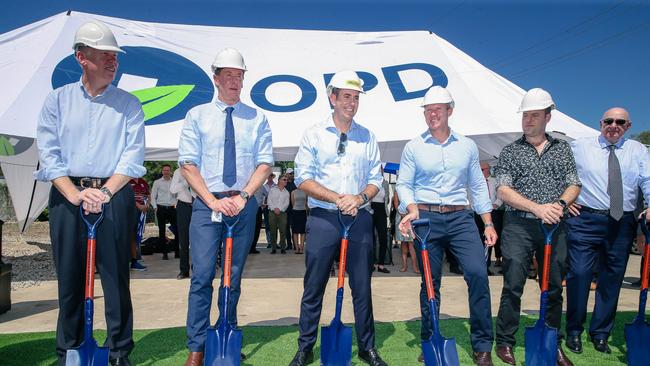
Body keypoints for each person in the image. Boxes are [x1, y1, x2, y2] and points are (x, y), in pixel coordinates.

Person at [35, 21, 145, 366]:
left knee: (115, 278)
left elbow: (132, 157)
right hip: (68, 197)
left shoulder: (129, 104)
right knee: (69, 277)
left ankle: (118, 351)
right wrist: (74, 193)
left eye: (115, 57)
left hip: (115, 195)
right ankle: (69, 349)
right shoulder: (57, 100)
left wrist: (106, 192)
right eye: (106, 55)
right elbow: (49, 154)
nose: (113, 62)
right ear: (82, 57)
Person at [178, 47, 273, 366]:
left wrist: (244, 196)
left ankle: (226, 333)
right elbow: (188, 164)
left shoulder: (257, 117)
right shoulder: (197, 115)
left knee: (233, 275)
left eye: (239, 75)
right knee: (202, 275)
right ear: (216, 78)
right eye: (229, 75)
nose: (234, 80)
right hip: (207, 205)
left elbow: (264, 164)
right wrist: (213, 200)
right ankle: (197, 345)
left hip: (243, 204)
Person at [289, 70, 386, 366]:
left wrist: (358, 198)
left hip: (359, 217)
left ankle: (366, 347)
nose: (351, 103)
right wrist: (337, 198)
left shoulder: (367, 136)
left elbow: (375, 178)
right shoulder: (314, 133)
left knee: (362, 285)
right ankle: (305, 347)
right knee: (314, 284)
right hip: (323, 218)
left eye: (356, 98)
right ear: (332, 98)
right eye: (346, 96)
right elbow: (303, 177)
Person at [397, 86, 497, 366]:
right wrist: (411, 206)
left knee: (478, 274)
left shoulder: (466, 146)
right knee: (430, 282)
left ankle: (482, 346)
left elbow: (477, 186)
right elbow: (404, 183)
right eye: (428, 110)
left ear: (449, 111)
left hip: (461, 218)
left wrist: (487, 222)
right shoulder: (413, 147)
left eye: (438, 109)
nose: (432, 114)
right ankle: (430, 339)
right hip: (425, 219)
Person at [493, 88, 580, 366]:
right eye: (525, 115)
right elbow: (503, 190)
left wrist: (561, 205)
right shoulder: (510, 151)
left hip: (554, 226)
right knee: (513, 284)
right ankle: (505, 341)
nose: (528, 120)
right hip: (518, 225)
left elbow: (574, 183)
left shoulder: (562, 149)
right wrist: (537, 207)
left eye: (534, 115)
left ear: (547, 117)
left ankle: (553, 342)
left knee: (554, 286)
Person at [564, 107, 650, 355]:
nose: (614, 125)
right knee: (579, 274)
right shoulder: (580, 146)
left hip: (622, 223)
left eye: (620, 122)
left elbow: (647, 179)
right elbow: (561, 172)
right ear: (601, 123)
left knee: (611, 280)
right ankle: (574, 331)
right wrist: (564, 199)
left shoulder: (638, 150)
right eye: (608, 121)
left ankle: (600, 333)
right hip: (585, 220)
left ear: (628, 126)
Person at [151, 164, 178, 260]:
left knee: (176, 230)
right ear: (162, 171)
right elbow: (153, 196)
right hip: (161, 208)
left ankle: (177, 252)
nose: (166, 172)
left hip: (172, 208)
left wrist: (177, 205)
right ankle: (164, 253)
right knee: (161, 231)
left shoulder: (174, 182)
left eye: (168, 170)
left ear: (170, 171)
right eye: (164, 170)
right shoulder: (157, 182)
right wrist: (154, 207)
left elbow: (177, 195)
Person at [170, 167, 193, 279]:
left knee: (199, 240)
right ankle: (184, 270)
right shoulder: (178, 172)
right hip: (184, 206)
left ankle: (198, 269)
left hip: (199, 205)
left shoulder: (201, 169)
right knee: (183, 240)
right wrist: (186, 181)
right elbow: (173, 189)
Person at [392, 190, 419, 273]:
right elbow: (396, 205)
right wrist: (405, 216)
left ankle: (415, 266)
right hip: (401, 218)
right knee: (403, 243)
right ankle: (404, 265)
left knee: (411, 243)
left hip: (412, 216)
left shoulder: (413, 189)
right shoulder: (397, 190)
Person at [128, 177, 150, 271]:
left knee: (135, 236)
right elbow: (128, 197)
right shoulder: (127, 181)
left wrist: (147, 205)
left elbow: (148, 195)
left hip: (141, 212)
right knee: (129, 236)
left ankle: (134, 261)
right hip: (130, 211)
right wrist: (139, 206)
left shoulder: (143, 181)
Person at [372, 172, 391, 273]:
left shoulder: (385, 183)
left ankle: (381, 264)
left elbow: (386, 199)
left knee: (383, 238)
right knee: (371, 238)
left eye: (381, 170)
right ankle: (371, 263)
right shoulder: (369, 182)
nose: (380, 172)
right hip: (370, 210)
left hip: (381, 210)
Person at [268, 174, 290, 254]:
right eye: (284, 180)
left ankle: (283, 248)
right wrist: (274, 209)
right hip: (272, 212)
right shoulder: (272, 190)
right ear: (279, 180)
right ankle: (273, 248)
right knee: (273, 230)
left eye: (286, 180)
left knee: (283, 231)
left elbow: (287, 203)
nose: (286, 181)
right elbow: (269, 201)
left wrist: (280, 209)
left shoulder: (287, 192)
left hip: (282, 213)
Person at [291, 186, 308, 254]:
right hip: (295, 212)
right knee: (295, 231)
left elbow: (306, 203)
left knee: (302, 231)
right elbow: (293, 203)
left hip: (303, 212)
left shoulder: (306, 192)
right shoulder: (293, 192)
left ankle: (301, 248)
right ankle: (296, 248)